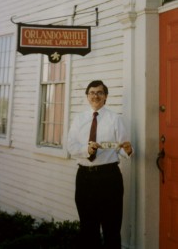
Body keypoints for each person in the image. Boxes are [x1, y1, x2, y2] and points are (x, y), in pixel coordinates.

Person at [67, 80, 132, 249]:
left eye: (100, 93)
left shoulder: (115, 119)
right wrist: (86, 149)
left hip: (109, 177)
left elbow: (123, 150)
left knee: (111, 228)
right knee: (88, 228)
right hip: (84, 178)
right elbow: (71, 147)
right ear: (87, 97)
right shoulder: (78, 119)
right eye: (92, 93)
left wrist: (129, 150)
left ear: (106, 97)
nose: (96, 96)